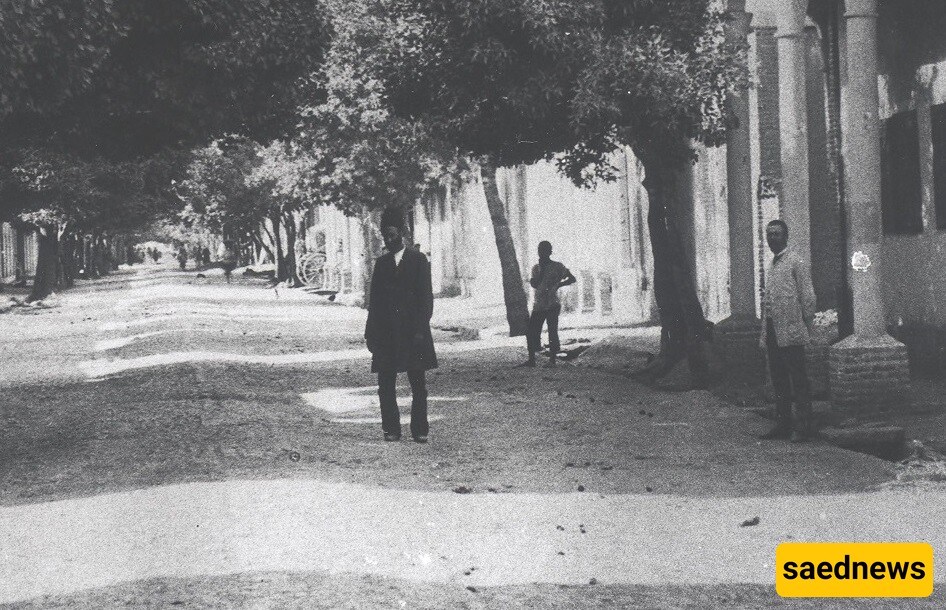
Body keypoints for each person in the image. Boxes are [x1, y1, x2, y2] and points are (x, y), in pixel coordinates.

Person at [364, 208, 437, 443]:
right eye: (385, 235)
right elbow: (374, 302)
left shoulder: (418, 260)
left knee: (418, 384)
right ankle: (392, 429)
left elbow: (426, 298)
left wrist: (420, 330)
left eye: (393, 234)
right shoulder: (382, 263)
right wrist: (370, 333)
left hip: (412, 332)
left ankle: (420, 429)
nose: (389, 239)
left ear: (403, 233)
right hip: (386, 333)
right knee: (385, 384)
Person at [759, 219, 817, 442]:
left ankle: (804, 426)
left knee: (798, 378)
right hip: (774, 329)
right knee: (779, 378)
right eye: (769, 234)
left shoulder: (796, 262)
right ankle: (783, 424)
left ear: (786, 237)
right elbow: (769, 303)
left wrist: (806, 324)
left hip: (792, 329)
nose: (772, 238)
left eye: (776, 234)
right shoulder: (772, 264)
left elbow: (808, 296)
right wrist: (765, 333)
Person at [522, 241, 576, 367]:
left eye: (544, 250)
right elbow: (535, 284)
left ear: (550, 252)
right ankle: (531, 360)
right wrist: (539, 274)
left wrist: (558, 285)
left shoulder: (558, 266)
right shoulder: (536, 268)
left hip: (552, 303)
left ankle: (552, 360)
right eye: (539, 250)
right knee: (531, 331)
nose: (541, 253)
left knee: (552, 331)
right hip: (539, 303)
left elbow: (572, 278)